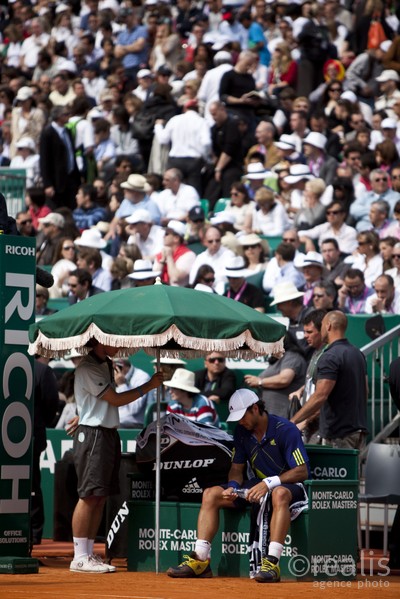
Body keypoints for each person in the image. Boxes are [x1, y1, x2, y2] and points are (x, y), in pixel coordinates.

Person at [167, 388, 309, 582]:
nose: (240, 421)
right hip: (257, 485)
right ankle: (200, 560)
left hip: (289, 487)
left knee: (279, 494)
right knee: (211, 494)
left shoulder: (286, 430)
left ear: (256, 409)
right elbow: (236, 467)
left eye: (243, 416)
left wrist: (269, 483)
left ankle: (272, 564)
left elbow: (302, 471)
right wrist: (233, 486)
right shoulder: (242, 432)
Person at [69, 340, 162, 573]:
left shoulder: (107, 364)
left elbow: (93, 401)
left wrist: (82, 413)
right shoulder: (88, 366)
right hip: (94, 435)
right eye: (112, 340)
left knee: (100, 496)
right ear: (100, 342)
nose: (118, 346)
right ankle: (79, 556)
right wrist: (149, 386)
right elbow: (115, 399)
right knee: (89, 495)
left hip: (107, 433)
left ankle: (88, 554)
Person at [291, 311, 368, 450]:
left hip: (339, 435)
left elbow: (320, 396)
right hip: (359, 432)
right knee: (356, 472)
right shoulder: (358, 354)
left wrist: (293, 421)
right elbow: (365, 391)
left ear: (328, 326)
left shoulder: (330, 356)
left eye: (320, 327)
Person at [31, 358, 59, 547]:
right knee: (32, 485)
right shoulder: (42, 370)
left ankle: (33, 534)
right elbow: (52, 405)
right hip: (32, 436)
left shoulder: (41, 370)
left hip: (31, 438)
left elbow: (51, 404)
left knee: (32, 486)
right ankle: (33, 534)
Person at [244, 334, 307, 418]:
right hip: (273, 415)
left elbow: (284, 379)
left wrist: (259, 382)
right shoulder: (279, 359)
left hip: (284, 416)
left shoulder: (292, 356)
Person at [289, 309, 327, 444]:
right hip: (310, 425)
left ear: (323, 330)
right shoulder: (316, 352)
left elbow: (324, 396)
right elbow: (315, 379)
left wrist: (304, 420)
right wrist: (300, 391)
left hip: (321, 426)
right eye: (304, 331)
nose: (305, 336)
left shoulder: (328, 355)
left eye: (309, 332)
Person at [194, 352, 237, 419]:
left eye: (220, 360)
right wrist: (205, 399)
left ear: (225, 362)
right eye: (212, 360)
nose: (216, 362)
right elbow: (191, 392)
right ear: (205, 363)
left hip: (220, 416)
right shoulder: (197, 375)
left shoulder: (228, 374)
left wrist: (200, 396)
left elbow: (225, 392)